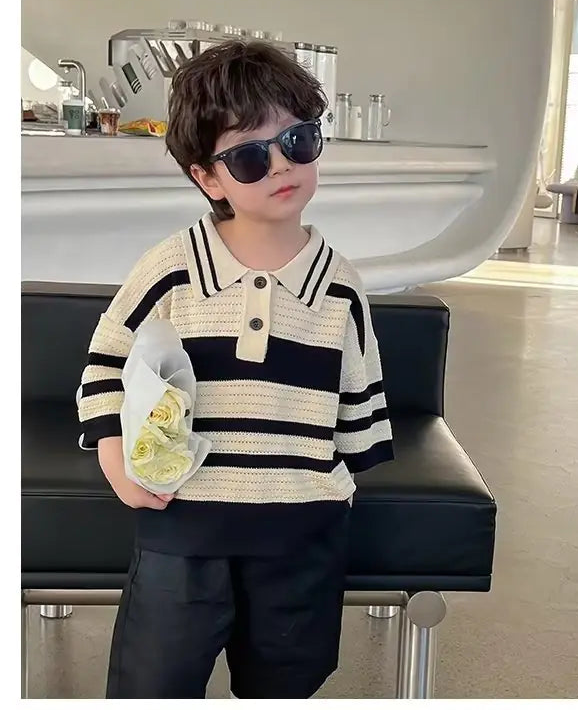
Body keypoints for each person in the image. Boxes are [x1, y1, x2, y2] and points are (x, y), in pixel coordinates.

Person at [77, 40, 394, 699]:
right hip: (183, 533)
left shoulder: (341, 287)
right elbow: (108, 358)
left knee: (284, 684)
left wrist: (334, 492)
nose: (281, 165)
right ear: (208, 178)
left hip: (300, 538)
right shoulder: (170, 268)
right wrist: (115, 457)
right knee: (153, 684)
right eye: (250, 156)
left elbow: (358, 413)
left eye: (298, 140)